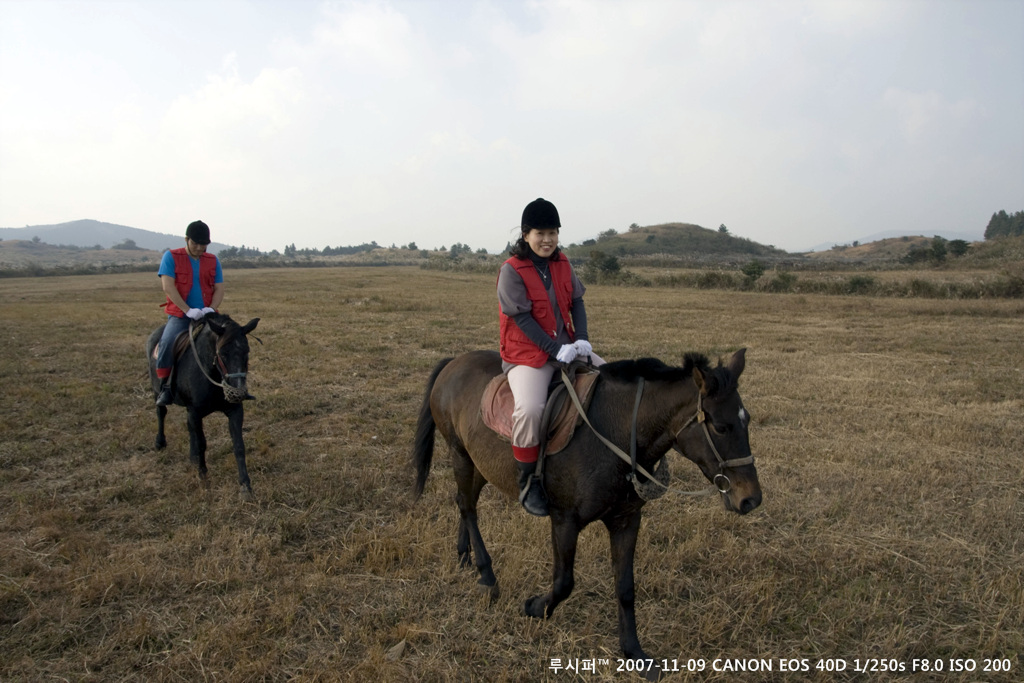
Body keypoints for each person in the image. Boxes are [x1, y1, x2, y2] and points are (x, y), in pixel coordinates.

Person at [497, 198, 606, 516]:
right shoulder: (511, 271)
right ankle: (528, 482)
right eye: (540, 233)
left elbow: (578, 302)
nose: (547, 240)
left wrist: (582, 339)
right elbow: (523, 319)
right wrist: (555, 349)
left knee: (613, 379)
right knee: (530, 409)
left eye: (553, 233)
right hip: (528, 355)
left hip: (567, 348)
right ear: (526, 234)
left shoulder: (563, 263)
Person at [154, 220, 224, 406]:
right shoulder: (171, 257)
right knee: (168, 342)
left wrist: (211, 307)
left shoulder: (213, 260)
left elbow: (219, 288)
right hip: (180, 315)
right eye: (196, 244)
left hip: (208, 315)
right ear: (186, 239)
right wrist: (187, 310)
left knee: (232, 342)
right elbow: (168, 287)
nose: (200, 248)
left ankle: (233, 385)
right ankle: (165, 387)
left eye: (204, 244)